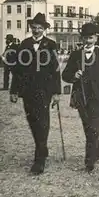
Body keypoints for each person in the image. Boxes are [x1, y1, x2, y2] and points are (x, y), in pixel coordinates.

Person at [9, 13, 61, 175]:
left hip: (44, 90)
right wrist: (14, 90)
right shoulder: (24, 44)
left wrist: (56, 93)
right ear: (30, 28)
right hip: (28, 90)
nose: (36, 30)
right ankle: (42, 148)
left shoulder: (51, 45)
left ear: (44, 29)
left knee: (42, 122)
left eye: (39, 28)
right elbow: (17, 70)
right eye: (34, 28)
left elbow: (55, 71)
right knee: (32, 120)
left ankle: (39, 160)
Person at [61, 23, 99, 172]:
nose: (88, 41)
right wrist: (74, 75)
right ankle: (96, 151)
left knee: (94, 129)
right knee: (88, 128)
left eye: (90, 38)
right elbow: (65, 75)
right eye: (85, 38)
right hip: (81, 96)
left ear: (96, 38)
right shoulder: (75, 55)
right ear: (82, 38)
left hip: (97, 97)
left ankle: (89, 161)